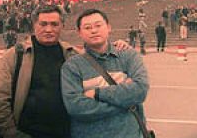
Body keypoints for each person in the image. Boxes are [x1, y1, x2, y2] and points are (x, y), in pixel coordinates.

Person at [0, 5, 129, 138]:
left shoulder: (73, 54)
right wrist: (13, 135)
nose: (49, 29)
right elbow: (0, 100)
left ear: (62, 25)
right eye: (43, 24)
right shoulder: (15, 56)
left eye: (54, 24)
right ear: (34, 25)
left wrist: (120, 48)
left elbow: (102, 76)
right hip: (26, 133)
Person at [61, 9, 149, 138]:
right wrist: (126, 101)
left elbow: (140, 89)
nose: (94, 30)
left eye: (98, 25)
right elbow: (76, 107)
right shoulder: (72, 66)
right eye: (87, 27)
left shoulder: (128, 56)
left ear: (108, 27)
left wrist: (97, 93)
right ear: (79, 32)